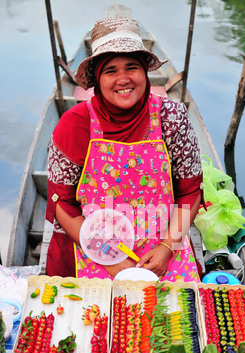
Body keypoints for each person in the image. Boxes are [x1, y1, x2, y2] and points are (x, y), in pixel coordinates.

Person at [45, 16, 204, 282]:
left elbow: (189, 192)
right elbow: (64, 204)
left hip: (162, 243)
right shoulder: (75, 124)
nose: (123, 79)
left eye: (132, 67)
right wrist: (106, 257)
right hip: (94, 245)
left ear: (145, 72)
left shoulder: (172, 117)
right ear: (97, 78)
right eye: (110, 71)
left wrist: (166, 248)